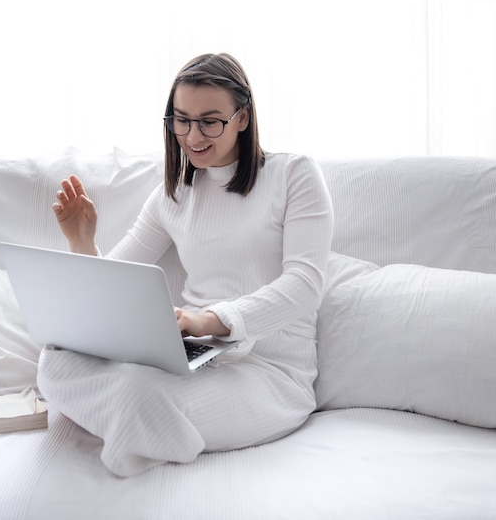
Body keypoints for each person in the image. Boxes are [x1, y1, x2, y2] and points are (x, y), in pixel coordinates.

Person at [37, 53, 334, 476]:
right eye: (181, 120)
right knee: (55, 358)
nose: (193, 135)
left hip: (269, 371)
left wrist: (208, 320)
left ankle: (128, 419)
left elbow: (305, 285)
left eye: (210, 121)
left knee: (139, 395)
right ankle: (133, 419)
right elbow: (113, 287)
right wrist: (81, 243)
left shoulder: (294, 175)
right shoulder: (172, 196)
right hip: (192, 357)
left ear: (243, 118)